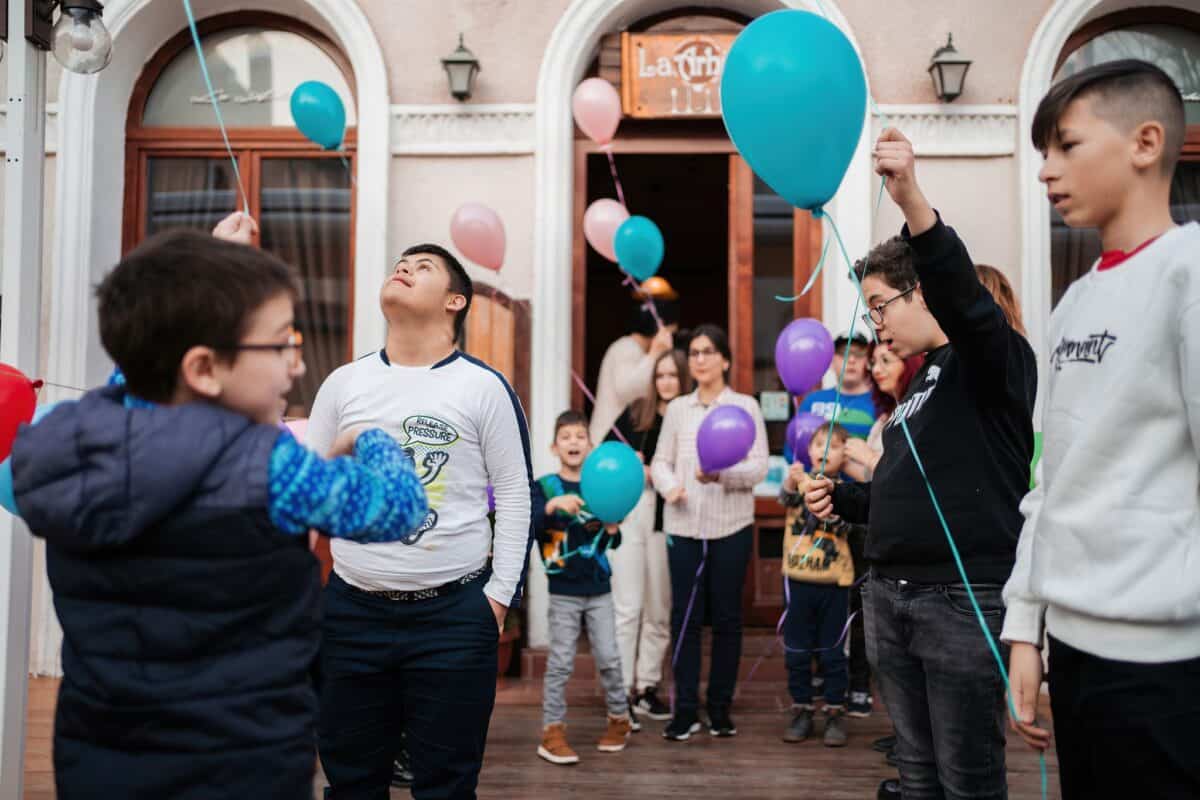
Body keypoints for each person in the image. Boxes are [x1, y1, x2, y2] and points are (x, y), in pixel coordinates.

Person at [8, 227, 429, 799]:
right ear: (204, 368)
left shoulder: (71, 442)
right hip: (241, 762)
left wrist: (200, 273)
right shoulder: (272, 469)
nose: (295, 365)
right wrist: (375, 440)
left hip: (100, 755)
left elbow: (143, 375)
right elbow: (401, 508)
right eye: (281, 344)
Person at [806, 127, 1037, 799]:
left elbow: (968, 302)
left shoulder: (992, 361)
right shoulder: (919, 383)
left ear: (922, 294)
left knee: (966, 780)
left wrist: (910, 199)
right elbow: (913, 491)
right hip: (892, 597)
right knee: (915, 775)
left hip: (959, 604)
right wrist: (844, 501)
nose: (874, 322)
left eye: (881, 305)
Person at [1003, 59, 1200, 798]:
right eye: (1041, 153)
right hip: (1075, 653)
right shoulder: (1073, 303)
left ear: (1146, 142)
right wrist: (1027, 626)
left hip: (1167, 670)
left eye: (1067, 146)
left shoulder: (1190, 274)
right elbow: (1047, 477)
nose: (1047, 170)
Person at [308, 243, 534, 800]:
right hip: (352, 612)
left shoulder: (483, 387)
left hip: (455, 619)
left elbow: (514, 494)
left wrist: (499, 599)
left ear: (456, 300)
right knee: (352, 784)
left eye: (423, 265)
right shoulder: (343, 384)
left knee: (447, 787)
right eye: (400, 263)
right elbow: (306, 489)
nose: (403, 267)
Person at [651, 324, 769, 741]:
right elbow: (660, 461)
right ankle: (684, 710)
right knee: (684, 619)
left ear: (725, 360)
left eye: (707, 352)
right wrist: (671, 487)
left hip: (731, 529)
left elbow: (758, 467)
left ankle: (719, 708)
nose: (699, 359)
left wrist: (721, 475)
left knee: (727, 620)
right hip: (683, 529)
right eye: (694, 353)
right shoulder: (679, 409)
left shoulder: (745, 408)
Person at [534, 410, 633, 764]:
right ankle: (552, 731)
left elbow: (614, 541)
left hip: (599, 589)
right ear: (554, 446)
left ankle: (620, 719)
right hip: (563, 590)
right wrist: (551, 504)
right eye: (566, 436)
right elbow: (530, 521)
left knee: (608, 656)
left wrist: (611, 531)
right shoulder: (544, 486)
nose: (574, 441)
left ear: (590, 445)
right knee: (560, 661)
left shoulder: (600, 486)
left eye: (580, 436)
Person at [610, 348, 692, 724]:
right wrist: (633, 469)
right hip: (632, 513)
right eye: (660, 376)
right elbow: (606, 458)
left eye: (673, 375)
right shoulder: (635, 413)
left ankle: (647, 686)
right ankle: (621, 690)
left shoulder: (689, 417)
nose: (666, 383)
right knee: (628, 606)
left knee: (659, 608)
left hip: (671, 517)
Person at [779, 422, 861, 748]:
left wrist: (829, 497)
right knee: (797, 650)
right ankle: (801, 709)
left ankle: (834, 711)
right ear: (808, 450)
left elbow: (846, 528)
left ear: (844, 455)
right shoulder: (798, 483)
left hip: (834, 583)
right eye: (818, 443)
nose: (824, 450)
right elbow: (785, 498)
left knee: (833, 652)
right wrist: (791, 480)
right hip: (798, 580)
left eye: (834, 445)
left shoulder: (848, 491)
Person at [588, 286, 680, 447]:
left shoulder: (635, 350)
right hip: (610, 438)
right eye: (669, 333)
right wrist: (655, 354)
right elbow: (628, 390)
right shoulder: (626, 348)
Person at [794, 331, 877, 443]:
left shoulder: (880, 402)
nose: (851, 360)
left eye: (859, 354)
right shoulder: (812, 401)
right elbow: (793, 447)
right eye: (844, 353)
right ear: (832, 361)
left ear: (868, 360)